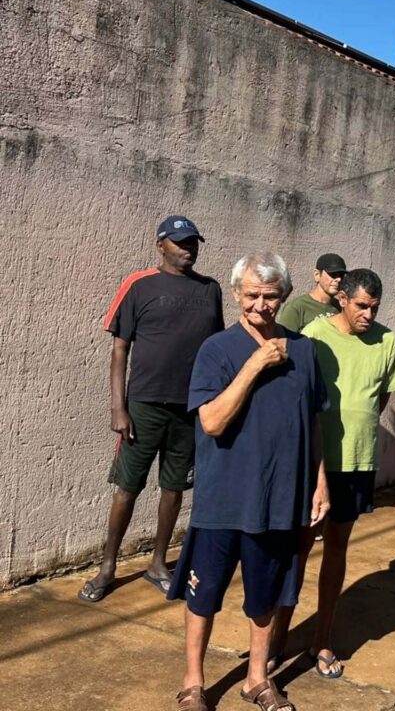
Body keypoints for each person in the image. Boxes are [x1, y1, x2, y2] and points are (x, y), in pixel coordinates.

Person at [168, 252, 330, 711]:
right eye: (253, 295)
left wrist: (320, 482)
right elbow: (213, 421)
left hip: (280, 499)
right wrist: (255, 364)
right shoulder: (216, 350)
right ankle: (194, 683)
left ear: (285, 296)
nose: (262, 304)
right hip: (223, 499)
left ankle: (256, 679)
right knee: (203, 595)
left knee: (267, 595)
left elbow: (313, 423)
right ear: (237, 293)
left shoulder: (305, 351)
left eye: (271, 296)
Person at [78, 216, 224, 604]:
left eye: (193, 242)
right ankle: (108, 567)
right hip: (143, 407)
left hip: (190, 410)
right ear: (161, 245)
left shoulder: (210, 289)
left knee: (173, 490)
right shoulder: (139, 285)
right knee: (127, 489)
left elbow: (215, 350)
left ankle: (158, 564)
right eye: (179, 242)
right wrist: (118, 407)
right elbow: (119, 350)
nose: (187, 248)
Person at [272, 268, 395, 679]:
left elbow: (381, 397)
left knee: (337, 549)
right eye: (361, 305)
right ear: (343, 299)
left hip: (356, 463)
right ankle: (275, 640)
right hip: (313, 462)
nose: (368, 314)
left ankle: (322, 639)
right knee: (297, 550)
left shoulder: (387, 341)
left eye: (375, 307)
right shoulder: (314, 336)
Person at [278, 253, 347, 332]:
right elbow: (284, 338)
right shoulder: (297, 307)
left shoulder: (342, 307)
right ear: (317, 275)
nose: (338, 279)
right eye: (333, 274)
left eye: (341, 275)